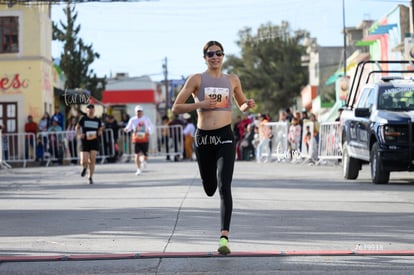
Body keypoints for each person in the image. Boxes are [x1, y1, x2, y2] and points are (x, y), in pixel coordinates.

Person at [171, 40, 255, 255]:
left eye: (218, 53)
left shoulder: (232, 79)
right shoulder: (197, 79)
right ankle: (209, 184)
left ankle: (224, 237)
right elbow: (176, 108)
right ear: (205, 57)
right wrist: (199, 104)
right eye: (211, 54)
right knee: (210, 188)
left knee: (224, 185)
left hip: (225, 136)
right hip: (204, 139)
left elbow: (241, 103)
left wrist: (248, 105)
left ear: (223, 56)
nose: (215, 57)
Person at [76, 104, 103, 184]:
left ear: (94, 110)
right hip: (84, 141)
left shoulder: (97, 120)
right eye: (89, 109)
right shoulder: (83, 118)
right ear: (87, 110)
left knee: (92, 160)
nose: (90, 110)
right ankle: (84, 167)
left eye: (92, 109)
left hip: (94, 141)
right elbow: (77, 127)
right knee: (83, 161)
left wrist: (100, 132)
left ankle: (90, 177)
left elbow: (100, 129)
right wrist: (80, 134)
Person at [124, 105, 154, 175]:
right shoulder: (132, 119)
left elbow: (151, 126)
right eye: (138, 111)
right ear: (135, 112)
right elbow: (129, 127)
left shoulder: (146, 119)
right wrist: (126, 129)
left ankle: (143, 160)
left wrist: (149, 132)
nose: (139, 113)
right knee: (136, 154)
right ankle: (138, 169)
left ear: (142, 112)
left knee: (145, 155)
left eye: (140, 111)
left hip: (144, 138)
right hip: (136, 139)